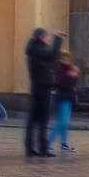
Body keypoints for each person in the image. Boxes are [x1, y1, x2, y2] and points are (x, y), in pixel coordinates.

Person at [24, 28, 59, 157]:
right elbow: (52, 55)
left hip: (39, 87)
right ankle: (42, 149)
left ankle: (31, 148)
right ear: (42, 37)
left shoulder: (35, 49)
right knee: (43, 119)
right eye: (48, 37)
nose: (49, 39)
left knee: (34, 119)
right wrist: (58, 39)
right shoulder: (37, 49)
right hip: (42, 88)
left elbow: (51, 60)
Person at [50, 43, 80, 154]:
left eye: (67, 58)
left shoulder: (71, 69)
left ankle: (64, 143)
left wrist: (74, 76)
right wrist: (70, 76)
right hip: (62, 97)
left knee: (65, 123)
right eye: (64, 58)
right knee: (62, 122)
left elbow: (74, 85)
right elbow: (59, 83)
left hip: (69, 97)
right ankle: (47, 143)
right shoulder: (60, 69)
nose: (65, 60)